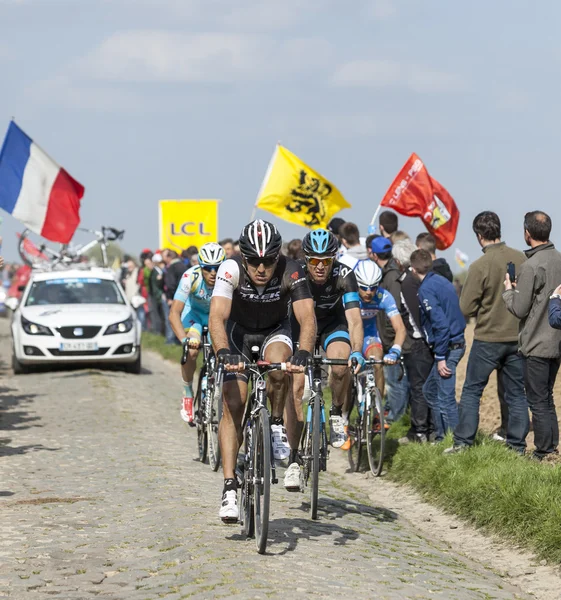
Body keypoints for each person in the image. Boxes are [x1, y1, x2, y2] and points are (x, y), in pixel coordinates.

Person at [209, 220, 316, 522]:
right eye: (254, 260)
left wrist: (305, 352)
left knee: (280, 368)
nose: (261, 268)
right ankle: (230, 487)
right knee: (234, 402)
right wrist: (223, 353)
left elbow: (307, 318)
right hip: (237, 334)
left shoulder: (291, 269)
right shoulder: (230, 269)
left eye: (268, 260)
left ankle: (277, 423)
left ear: (277, 257)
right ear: (243, 257)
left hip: (274, 331)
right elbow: (217, 317)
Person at [447, 211, 528, 454]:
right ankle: (517, 446)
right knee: (516, 393)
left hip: (487, 339)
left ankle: (463, 443)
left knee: (472, 390)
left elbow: (466, 307)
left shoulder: (479, 265)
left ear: (479, 236)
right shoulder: (521, 258)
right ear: (499, 230)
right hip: (517, 337)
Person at [288, 229, 364, 465]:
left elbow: (354, 319)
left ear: (334, 259)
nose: (320, 266)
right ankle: (293, 454)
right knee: (297, 385)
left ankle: (337, 412)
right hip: (301, 324)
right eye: (314, 261)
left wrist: (358, 350)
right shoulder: (296, 273)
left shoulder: (344, 274)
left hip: (333, 323)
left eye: (326, 261)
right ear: (305, 259)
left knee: (341, 367)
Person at [503, 211, 561, 460]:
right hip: (556, 342)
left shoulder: (530, 266)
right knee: (546, 397)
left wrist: (508, 291)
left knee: (538, 401)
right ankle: (550, 448)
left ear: (527, 233)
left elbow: (519, 308)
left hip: (536, 344)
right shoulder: (559, 259)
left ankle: (544, 450)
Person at [411, 249, 466, 442]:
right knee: (430, 391)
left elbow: (441, 326)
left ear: (412, 269)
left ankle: (456, 442)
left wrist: (441, 357)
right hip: (454, 342)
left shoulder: (426, 289)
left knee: (446, 397)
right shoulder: (442, 281)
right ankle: (442, 437)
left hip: (449, 346)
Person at [169, 243, 226, 423]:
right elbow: (174, 313)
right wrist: (184, 340)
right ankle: (187, 393)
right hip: (193, 315)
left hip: (215, 316)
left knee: (221, 350)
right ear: (200, 267)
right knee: (192, 351)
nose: (213, 273)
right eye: (208, 269)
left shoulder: (228, 277)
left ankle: (218, 385)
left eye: (217, 268)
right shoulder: (189, 277)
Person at [353, 259, 406, 424]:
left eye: (373, 288)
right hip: (350, 335)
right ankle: (343, 417)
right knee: (343, 373)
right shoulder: (348, 295)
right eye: (364, 287)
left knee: (377, 362)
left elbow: (400, 328)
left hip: (369, 335)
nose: (369, 292)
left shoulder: (383, 296)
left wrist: (395, 350)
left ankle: (377, 409)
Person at [392, 239, 434, 443]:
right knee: (425, 386)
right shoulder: (422, 277)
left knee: (418, 388)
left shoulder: (407, 282)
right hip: (427, 340)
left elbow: (415, 315)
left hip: (418, 341)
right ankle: (429, 429)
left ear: (399, 262)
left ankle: (420, 431)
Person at [370, 236, 411, 422]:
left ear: (374, 254)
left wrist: (390, 340)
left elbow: (395, 310)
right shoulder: (387, 273)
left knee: (396, 382)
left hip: (392, 337)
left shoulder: (391, 277)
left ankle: (395, 418)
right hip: (388, 337)